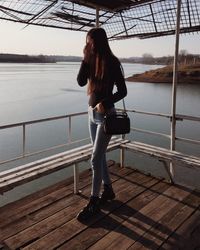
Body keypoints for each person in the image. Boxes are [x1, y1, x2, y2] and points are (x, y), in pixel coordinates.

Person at [76, 27, 127, 220]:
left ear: (98, 41)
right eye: (86, 41)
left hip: (106, 116)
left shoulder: (112, 62)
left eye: (90, 41)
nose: (88, 44)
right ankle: (108, 189)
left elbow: (122, 91)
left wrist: (105, 103)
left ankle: (94, 200)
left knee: (95, 159)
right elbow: (81, 81)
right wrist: (84, 58)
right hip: (91, 115)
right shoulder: (90, 60)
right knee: (99, 157)